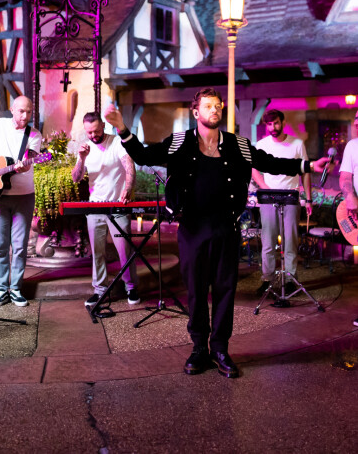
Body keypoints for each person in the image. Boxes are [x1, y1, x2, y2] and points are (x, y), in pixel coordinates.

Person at [104, 88, 332, 378]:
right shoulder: (178, 142)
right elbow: (144, 156)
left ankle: (221, 349)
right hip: (192, 228)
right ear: (196, 112)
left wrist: (308, 165)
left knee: (225, 290)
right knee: (197, 291)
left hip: (226, 227)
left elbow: (268, 162)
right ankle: (199, 348)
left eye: (218, 105)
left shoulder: (239, 144)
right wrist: (122, 127)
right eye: (208, 105)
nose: (215, 109)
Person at [0, 95, 42, 308]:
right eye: (21, 111)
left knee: (19, 246)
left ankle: (16, 289)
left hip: (24, 196)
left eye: (29, 112)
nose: (25, 116)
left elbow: (29, 161)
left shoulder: (34, 135)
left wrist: (24, 166)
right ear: (12, 109)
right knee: (0, 245)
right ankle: (2, 289)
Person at [71, 111, 139, 307]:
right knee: (97, 252)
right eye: (89, 132)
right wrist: (82, 158)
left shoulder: (117, 142)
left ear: (103, 126)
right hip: (95, 206)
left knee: (124, 249)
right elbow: (76, 178)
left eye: (95, 131)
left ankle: (131, 287)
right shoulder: (85, 148)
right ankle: (100, 289)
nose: (93, 136)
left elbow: (129, 167)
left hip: (117, 205)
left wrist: (127, 188)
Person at [251, 110, 313, 296]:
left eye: (276, 123)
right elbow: (253, 169)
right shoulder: (261, 144)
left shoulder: (297, 143)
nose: (273, 128)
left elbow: (306, 172)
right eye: (269, 125)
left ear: (283, 122)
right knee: (268, 242)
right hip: (268, 198)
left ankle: (290, 279)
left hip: (291, 198)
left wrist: (308, 199)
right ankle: (267, 279)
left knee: (290, 242)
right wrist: (264, 187)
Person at [338, 108, 358, 327]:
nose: (357, 122)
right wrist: (350, 195)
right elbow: (345, 176)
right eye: (356, 118)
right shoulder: (353, 146)